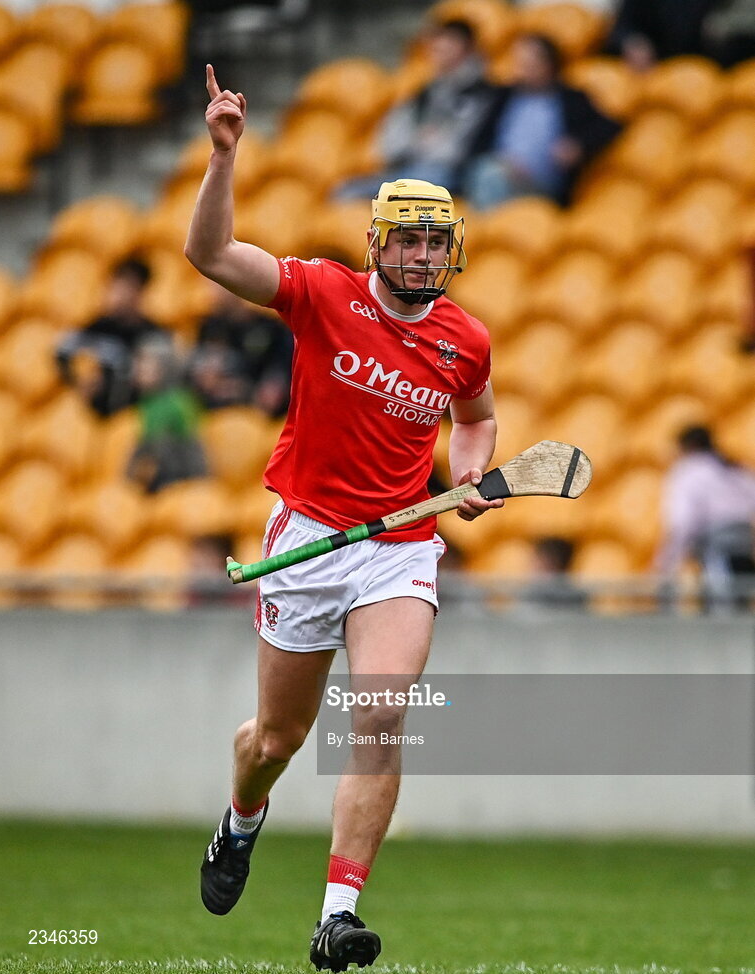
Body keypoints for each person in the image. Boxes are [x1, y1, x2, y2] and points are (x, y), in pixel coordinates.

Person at [184, 65, 503, 972]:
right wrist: (222, 156)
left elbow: (474, 418)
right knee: (275, 740)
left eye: (435, 243)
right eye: (407, 241)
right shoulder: (322, 293)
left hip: (398, 547)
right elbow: (211, 257)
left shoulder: (464, 338)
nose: (421, 257)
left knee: (381, 715)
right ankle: (242, 817)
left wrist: (469, 475)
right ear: (377, 245)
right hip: (309, 539)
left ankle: (337, 914)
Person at [335, 19, 492, 199]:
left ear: (466, 49)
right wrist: (417, 143)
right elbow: (389, 143)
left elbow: (457, 150)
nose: (439, 53)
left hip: (448, 175)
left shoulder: (482, 93)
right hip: (410, 168)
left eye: (448, 46)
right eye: (437, 47)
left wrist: (420, 143)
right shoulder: (425, 91)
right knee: (347, 191)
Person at [462, 33, 621, 209]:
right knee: (484, 173)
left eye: (528, 64)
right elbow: (479, 139)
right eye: (519, 63)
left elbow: (610, 126)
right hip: (499, 171)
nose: (520, 70)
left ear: (547, 65)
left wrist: (578, 145)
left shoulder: (571, 99)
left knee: (489, 175)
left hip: (541, 187)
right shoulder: (504, 95)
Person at [655, 425, 755, 611]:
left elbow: (682, 522)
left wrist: (667, 561)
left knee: (723, 614)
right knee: (740, 610)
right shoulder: (735, 469)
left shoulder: (688, 472)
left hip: (718, 555)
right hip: (745, 554)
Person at [55, 258, 168, 417]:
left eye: (128, 287)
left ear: (140, 292)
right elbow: (63, 350)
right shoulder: (98, 325)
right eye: (117, 285)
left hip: (132, 414)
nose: (120, 293)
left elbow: (157, 381)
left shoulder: (153, 334)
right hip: (93, 412)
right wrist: (80, 381)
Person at [188, 280, 293, 416]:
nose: (213, 293)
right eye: (211, 285)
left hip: (259, 408)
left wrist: (270, 385)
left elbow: (281, 369)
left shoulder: (270, 328)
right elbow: (200, 373)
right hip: (215, 409)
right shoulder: (209, 326)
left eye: (218, 285)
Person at [126, 338, 208, 494]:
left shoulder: (179, 403)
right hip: (155, 479)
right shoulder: (147, 403)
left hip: (179, 479)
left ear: (165, 368)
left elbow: (193, 448)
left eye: (147, 363)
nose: (139, 369)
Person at [519, 536, 589, 612]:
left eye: (535, 560)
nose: (529, 565)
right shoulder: (528, 592)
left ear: (549, 563)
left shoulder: (575, 597)